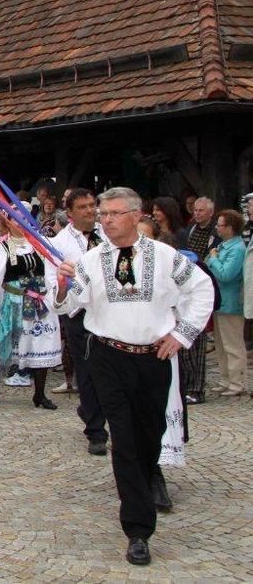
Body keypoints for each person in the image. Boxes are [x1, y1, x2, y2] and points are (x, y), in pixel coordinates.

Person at [55, 187, 214, 566]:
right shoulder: (92, 260)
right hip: (109, 356)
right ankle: (138, 529)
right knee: (123, 439)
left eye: (113, 213)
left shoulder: (163, 256)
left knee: (149, 437)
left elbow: (202, 288)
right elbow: (72, 302)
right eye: (102, 214)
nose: (105, 219)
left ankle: (145, 487)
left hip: (153, 358)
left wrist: (181, 334)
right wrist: (63, 284)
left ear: (134, 214)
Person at [0, 211, 62, 410]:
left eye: (24, 219)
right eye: (16, 220)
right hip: (14, 302)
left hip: (40, 302)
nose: (21, 224)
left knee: (41, 344)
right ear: (8, 223)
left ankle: (39, 394)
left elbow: (50, 272)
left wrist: (53, 294)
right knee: (9, 342)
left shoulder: (40, 245)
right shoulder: (3, 247)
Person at [45, 188, 109, 455]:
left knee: (109, 369)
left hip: (109, 311)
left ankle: (93, 409)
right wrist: (61, 286)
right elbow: (54, 290)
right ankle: (96, 431)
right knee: (88, 370)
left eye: (92, 205)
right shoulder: (58, 244)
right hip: (79, 314)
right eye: (82, 207)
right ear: (70, 214)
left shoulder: (107, 235)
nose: (90, 210)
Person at [206, 209, 246, 397]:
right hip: (219, 301)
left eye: (220, 225)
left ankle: (237, 381)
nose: (217, 228)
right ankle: (225, 378)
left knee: (232, 344)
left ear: (230, 227)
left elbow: (226, 274)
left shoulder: (237, 249)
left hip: (231, 302)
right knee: (221, 345)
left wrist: (213, 258)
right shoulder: (223, 246)